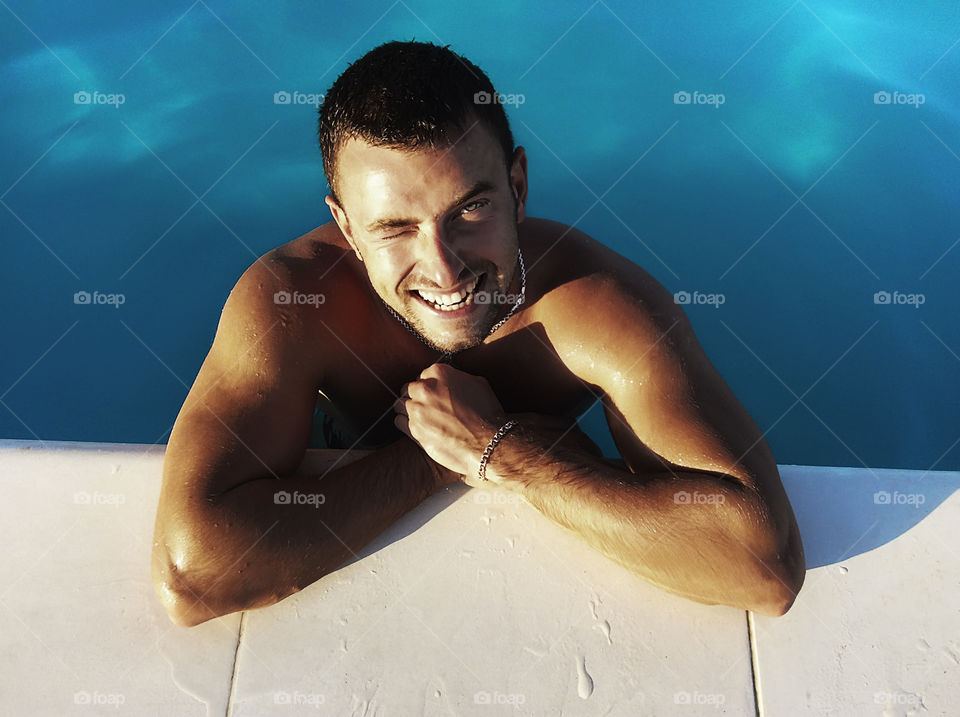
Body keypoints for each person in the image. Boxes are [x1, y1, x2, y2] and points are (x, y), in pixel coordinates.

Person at [151, 41, 805, 627]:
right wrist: (441, 457)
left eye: (470, 208)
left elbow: (764, 565)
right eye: (395, 227)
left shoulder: (595, 307)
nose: (444, 267)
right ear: (347, 228)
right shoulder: (296, 303)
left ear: (517, 187)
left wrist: (511, 457)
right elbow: (191, 573)